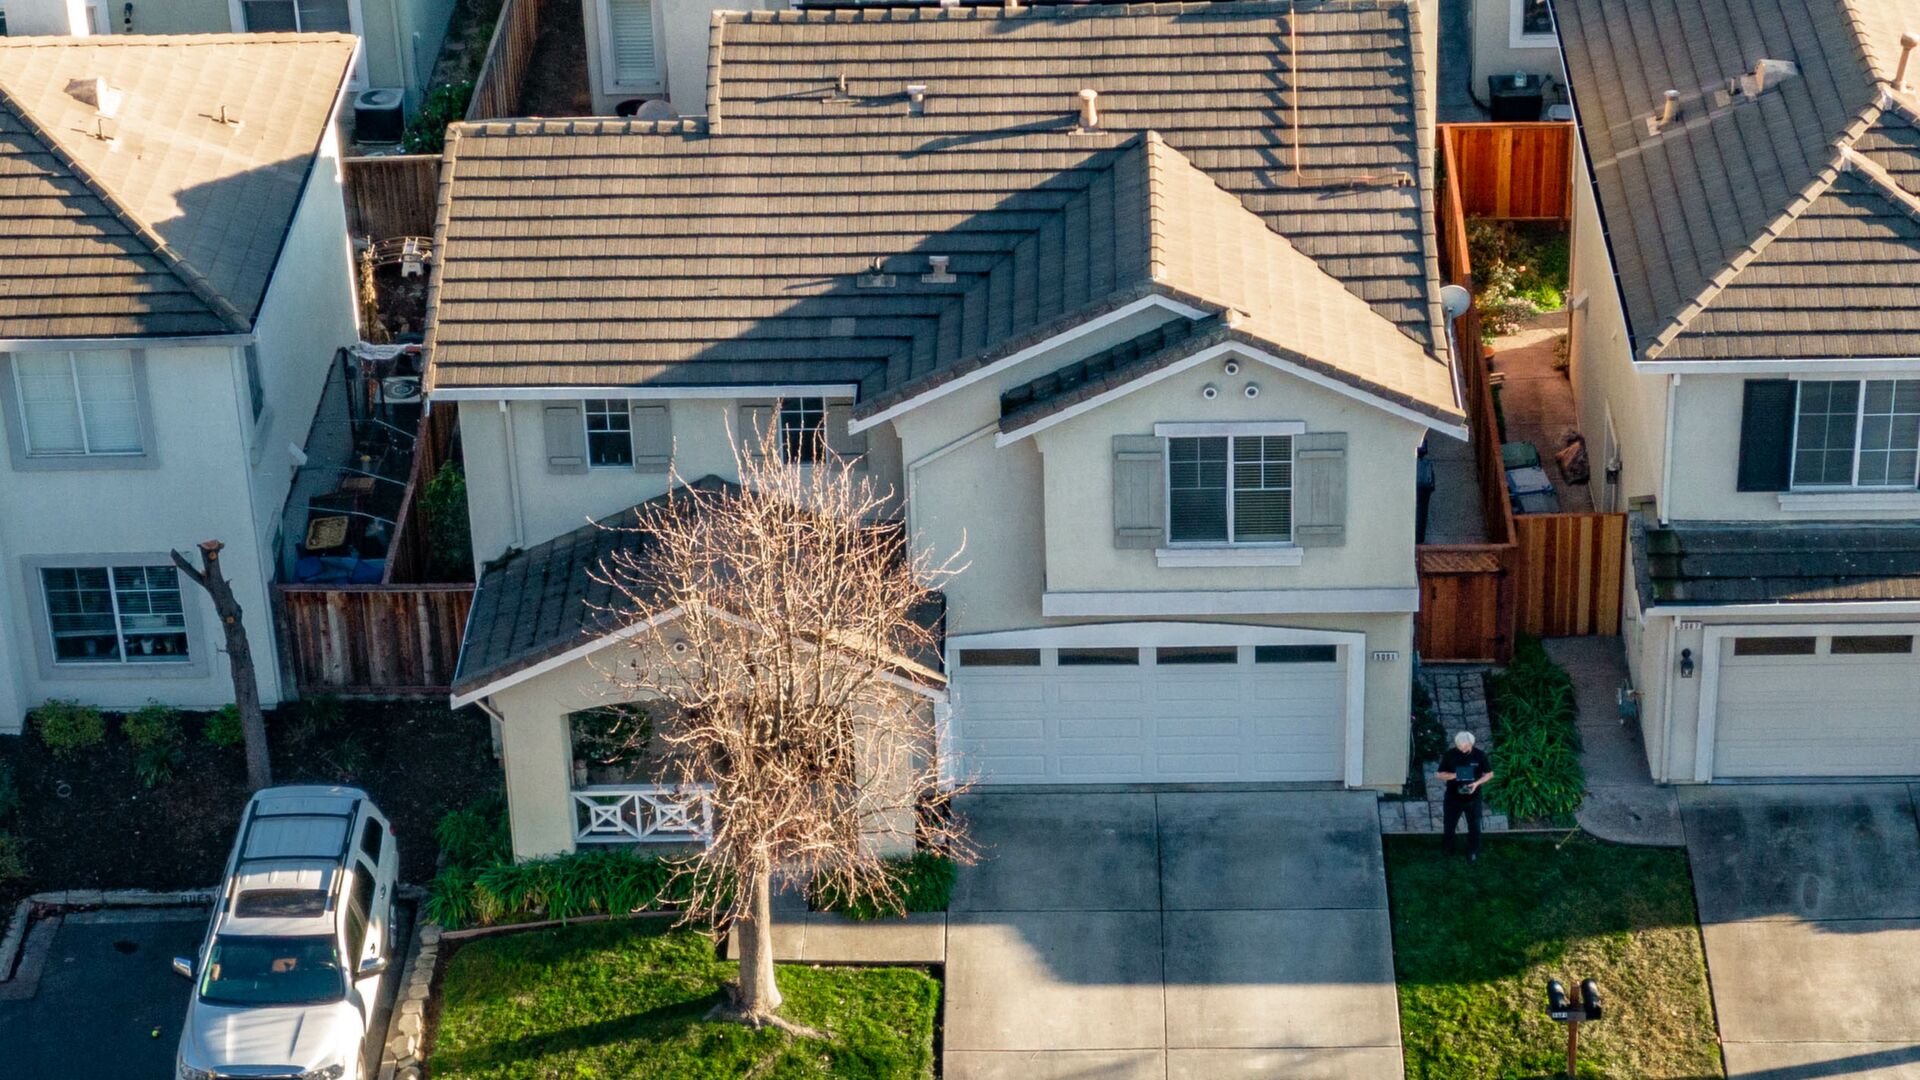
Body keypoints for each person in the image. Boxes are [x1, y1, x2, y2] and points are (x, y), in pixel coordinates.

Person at [1436, 730, 1494, 862]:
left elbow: (1489, 774)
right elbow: (1439, 774)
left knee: (1474, 826)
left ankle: (1473, 851)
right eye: (1459, 746)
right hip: (1452, 797)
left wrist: (1476, 783)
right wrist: (1455, 775)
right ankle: (1448, 848)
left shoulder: (1480, 755)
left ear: (1471, 743)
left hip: (1473, 798)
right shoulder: (1450, 754)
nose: (1462, 749)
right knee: (1449, 825)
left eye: (1465, 746)